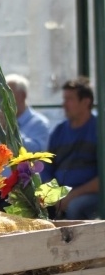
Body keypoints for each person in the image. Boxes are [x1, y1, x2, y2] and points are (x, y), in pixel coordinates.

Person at [41, 77, 99, 220]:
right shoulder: (58, 131)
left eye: (70, 99)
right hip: (60, 196)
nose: (64, 104)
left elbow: (101, 179)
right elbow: (47, 169)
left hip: (91, 195)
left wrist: (72, 195)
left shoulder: (99, 129)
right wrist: (55, 194)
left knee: (75, 207)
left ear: (86, 102)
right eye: (64, 99)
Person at [0, 73, 50, 152]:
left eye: (7, 95)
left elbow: (37, 150)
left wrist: (10, 130)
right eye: (1, 95)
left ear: (23, 95)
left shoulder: (39, 123)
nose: (3, 100)